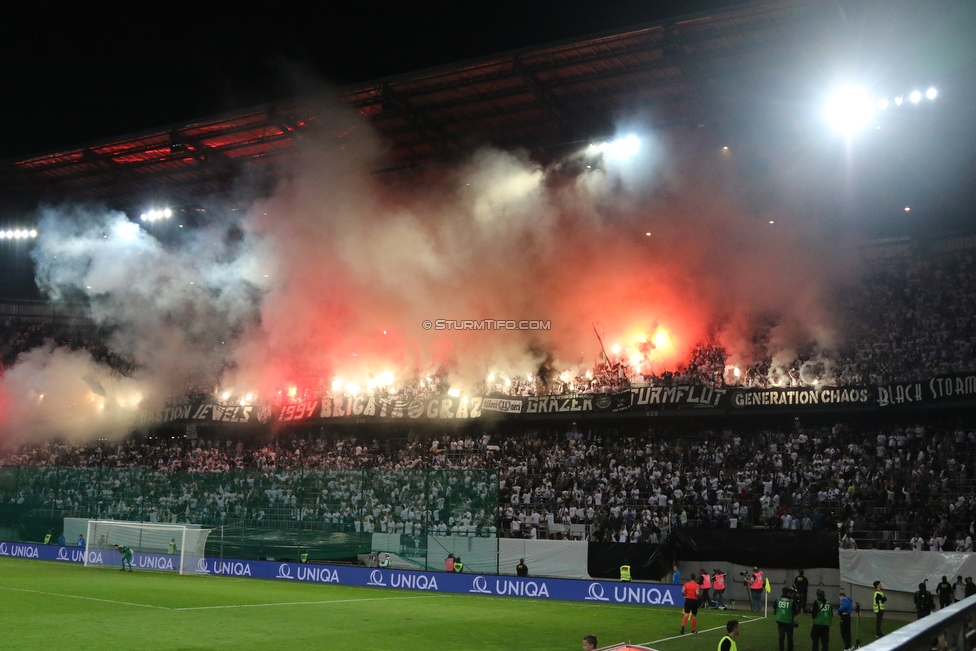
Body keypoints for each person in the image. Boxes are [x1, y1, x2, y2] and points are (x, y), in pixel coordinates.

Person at [775, 586, 800, 651]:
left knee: (781, 636)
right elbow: (795, 612)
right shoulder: (791, 601)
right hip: (788, 621)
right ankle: (790, 648)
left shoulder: (778, 599)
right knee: (790, 636)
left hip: (780, 619)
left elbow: (774, 607)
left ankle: (781, 648)